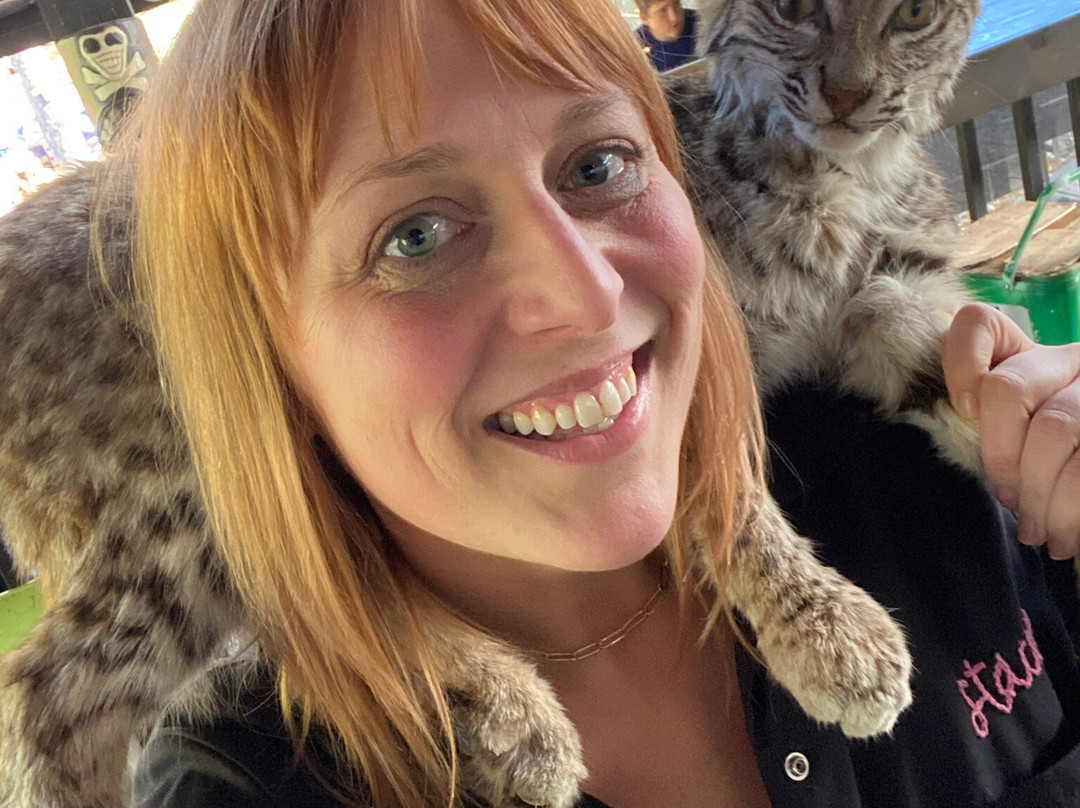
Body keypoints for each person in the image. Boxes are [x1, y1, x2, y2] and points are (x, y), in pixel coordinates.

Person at [118, 1, 1080, 806]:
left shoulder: (907, 465)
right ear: (262, 357)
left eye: (597, 165)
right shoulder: (247, 780)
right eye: (413, 235)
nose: (585, 294)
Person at [634, 0, 699, 72]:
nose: (674, 18)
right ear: (644, 18)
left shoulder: (702, 23)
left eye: (676, 5)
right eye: (663, 10)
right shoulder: (636, 49)